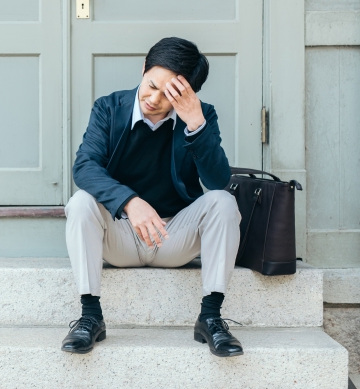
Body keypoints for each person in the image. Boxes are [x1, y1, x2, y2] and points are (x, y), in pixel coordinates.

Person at [61, 37, 243, 357]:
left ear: (187, 94)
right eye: (151, 84)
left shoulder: (202, 117)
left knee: (224, 202)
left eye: (168, 93)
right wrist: (131, 202)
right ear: (143, 68)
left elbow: (217, 181)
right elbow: (84, 167)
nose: (153, 99)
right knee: (80, 202)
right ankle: (90, 317)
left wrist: (196, 123)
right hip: (119, 237)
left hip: (173, 238)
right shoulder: (109, 107)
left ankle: (211, 317)